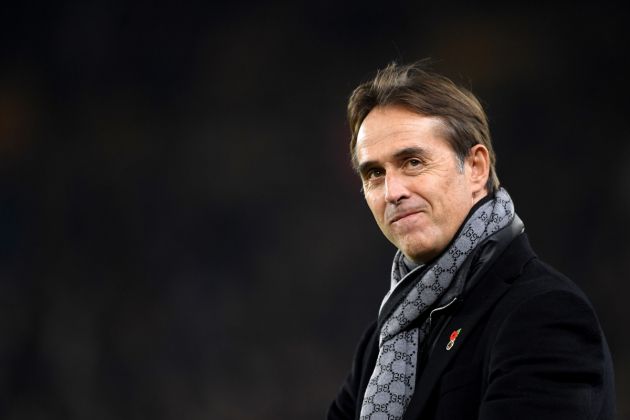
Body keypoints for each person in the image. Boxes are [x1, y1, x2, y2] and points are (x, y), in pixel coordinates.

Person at [327, 61, 615, 420]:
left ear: (476, 167)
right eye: (374, 173)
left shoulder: (543, 313)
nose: (393, 191)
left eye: (413, 162)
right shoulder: (382, 341)